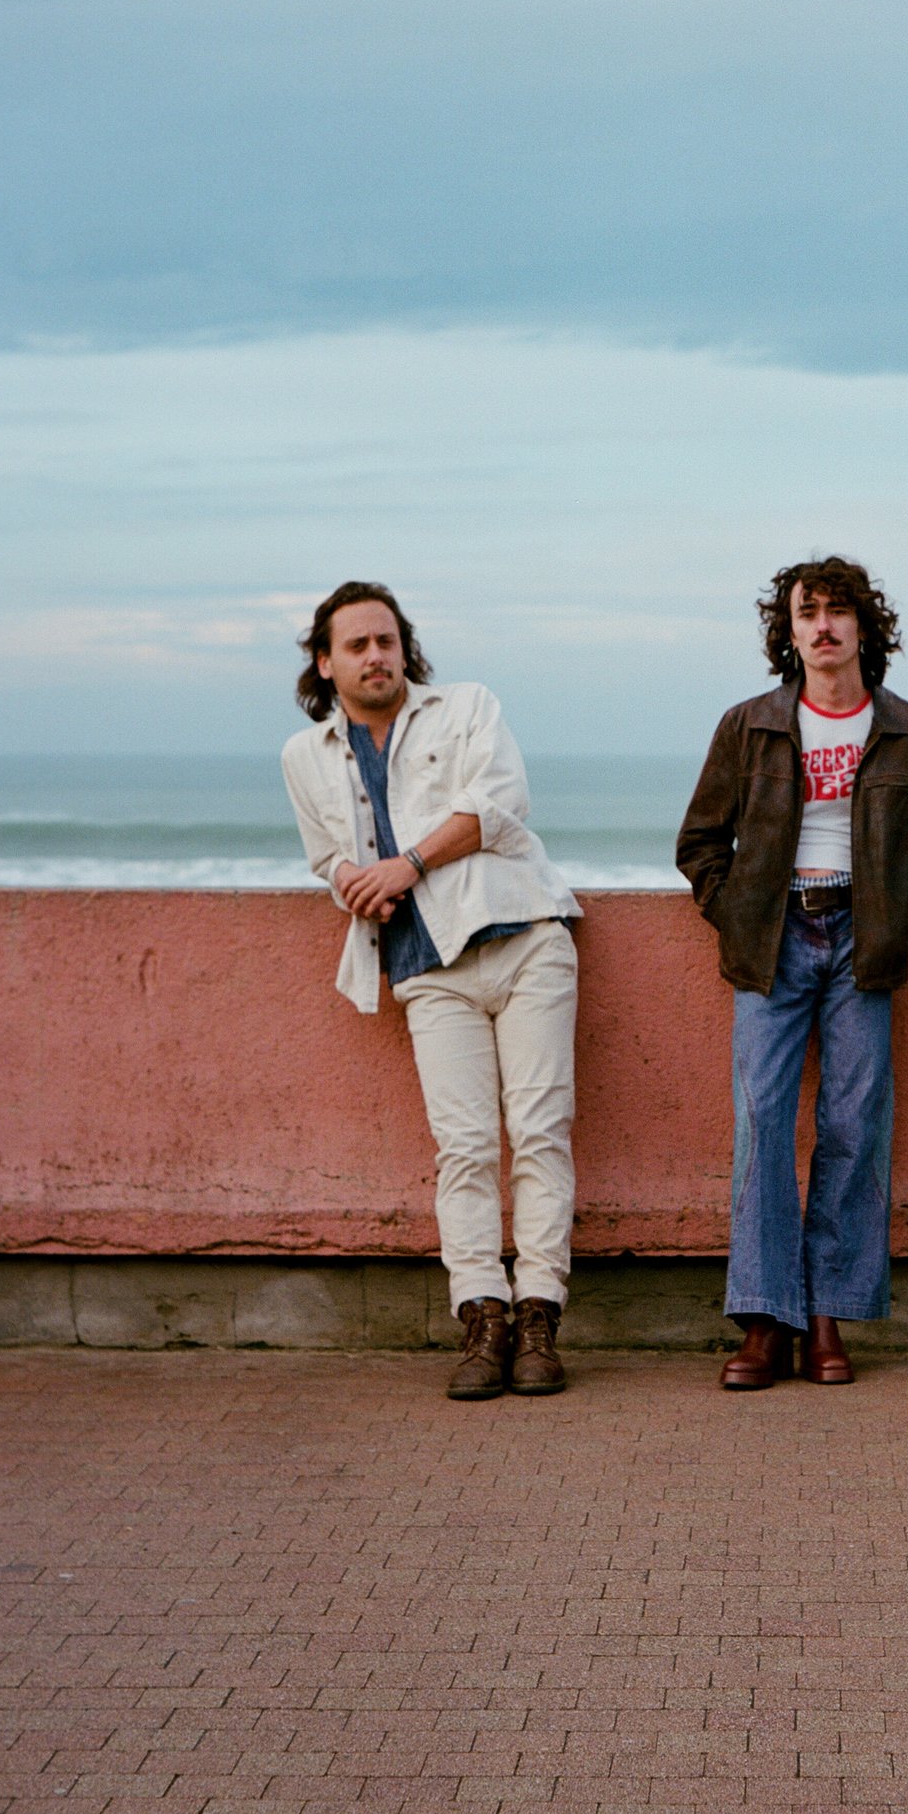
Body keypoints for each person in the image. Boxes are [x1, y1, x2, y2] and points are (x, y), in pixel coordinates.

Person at [280, 580, 583, 1402]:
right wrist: (355, 880)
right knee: (465, 1149)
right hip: (423, 965)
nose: (376, 656)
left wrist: (404, 864)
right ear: (326, 661)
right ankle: (481, 1320)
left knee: (540, 1129)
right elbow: (326, 857)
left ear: (404, 647)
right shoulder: (304, 756)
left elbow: (498, 807)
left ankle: (539, 1319)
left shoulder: (467, 707)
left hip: (524, 938)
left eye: (387, 640)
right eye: (357, 645)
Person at [676, 556, 908, 1389]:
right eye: (809, 612)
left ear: (866, 628)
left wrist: (898, 918)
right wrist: (738, 912)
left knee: (854, 1123)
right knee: (763, 1120)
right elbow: (700, 842)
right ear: (789, 629)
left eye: (840, 611)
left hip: (861, 944)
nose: (824, 625)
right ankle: (766, 1318)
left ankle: (828, 1317)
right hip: (772, 942)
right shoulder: (749, 725)